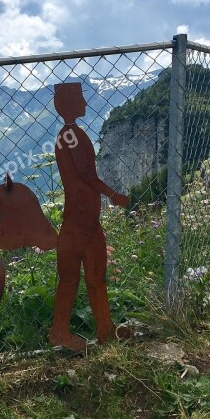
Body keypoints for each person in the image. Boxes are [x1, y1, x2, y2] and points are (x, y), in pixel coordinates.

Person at [50, 82, 131, 352]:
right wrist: (112, 194)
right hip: (82, 219)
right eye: (81, 100)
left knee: (77, 276)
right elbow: (87, 175)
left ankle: (100, 330)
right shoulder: (72, 136)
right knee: (88, 275)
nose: (86, 104)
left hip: (79, 218)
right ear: (71, 105)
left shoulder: (66, 134)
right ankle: (80, 331)